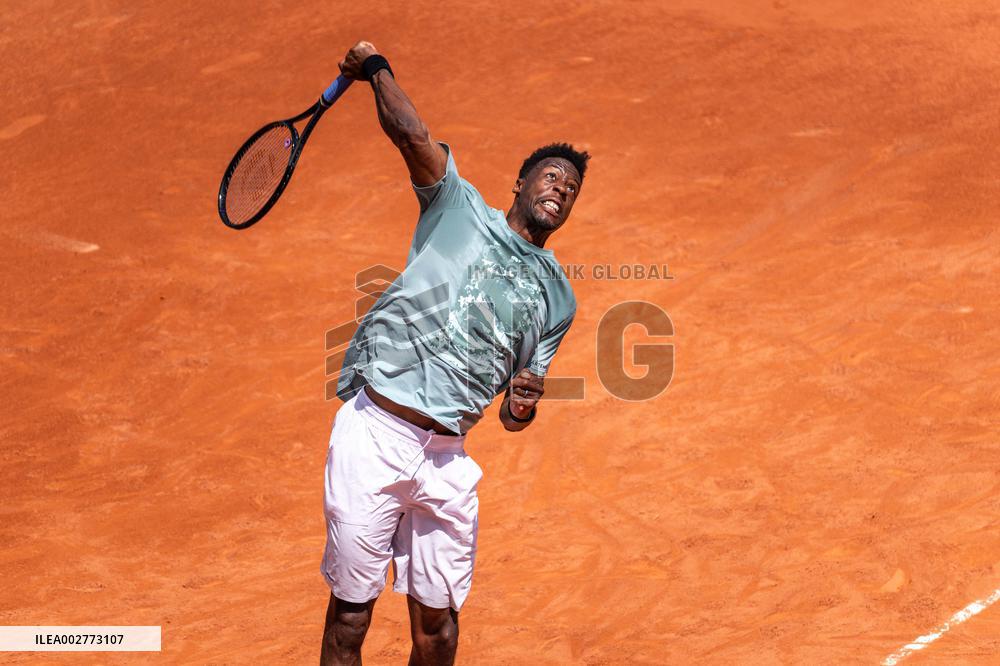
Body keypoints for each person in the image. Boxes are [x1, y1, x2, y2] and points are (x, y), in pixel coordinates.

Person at [320, 41, 589, 666]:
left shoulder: (558, 298)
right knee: (351, 620)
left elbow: (512, 415)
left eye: (572, 187)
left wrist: (523, 406)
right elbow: (412, 134)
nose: (562, 188)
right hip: (376, 434)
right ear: (521, 183)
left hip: (446, 457)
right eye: (552, 175)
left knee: (437, 633)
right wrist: (375, 69)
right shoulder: (457, 205)